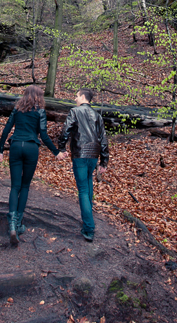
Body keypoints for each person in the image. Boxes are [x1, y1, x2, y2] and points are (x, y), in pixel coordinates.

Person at [0, 85, 59, 245]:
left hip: (16, 145)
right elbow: (44, 135)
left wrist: (0, 149)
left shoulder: (17, 109)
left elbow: (7, 129)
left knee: (15, 186)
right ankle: (18, 224)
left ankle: (11, 223)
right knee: (25, 186)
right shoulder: (40, 111)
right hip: (31, 147)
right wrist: (56, 152)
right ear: (39, 97)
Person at [57, 88, 109, 242]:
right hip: (93, 155)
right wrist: (104, 160)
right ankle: (88, 221)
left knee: (83, 190)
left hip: (80, 154)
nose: (75, 98)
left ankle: (89, 227)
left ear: (83, 97)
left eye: (76, 95)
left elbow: (65, 130)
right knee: (88, 185)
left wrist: (61, 147)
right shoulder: (97, 116)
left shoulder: (75, 112)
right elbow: (103, 139)